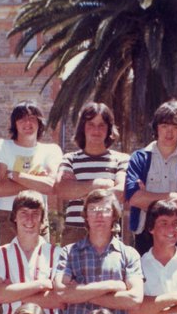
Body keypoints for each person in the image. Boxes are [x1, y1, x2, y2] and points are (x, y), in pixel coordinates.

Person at [56, 190, 143, 314]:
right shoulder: (70, 252)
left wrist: (80, 294)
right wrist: (111, 286)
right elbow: (61, 293)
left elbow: (134, 299)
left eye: (105, 209)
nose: (99, 215)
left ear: (114, 215)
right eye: (93, 209)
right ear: (86, 216)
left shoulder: (128, 254)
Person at [0, 191, 66, 314]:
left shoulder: (56, 253)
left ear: (42, 219)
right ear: (14, 217)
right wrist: (41, 285)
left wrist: (12, 294)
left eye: (35, 213)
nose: (29, 219)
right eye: (24, 213)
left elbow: (59, 300)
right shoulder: (2, 253)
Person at [124, 100, 177, 255]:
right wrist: (173, 196)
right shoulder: (139, 158)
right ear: (156, 127)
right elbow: (134, 198)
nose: (169, 133)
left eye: (176, 127)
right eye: (164, 126)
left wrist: (147, 200)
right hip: (145, 233)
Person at [55, 102, 129, 246]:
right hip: (75, 231)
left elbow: (121, 192)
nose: (96, 130)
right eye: (91, 124)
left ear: (109, 129)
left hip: (108, 229)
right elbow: (62, 189)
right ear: (83, 127)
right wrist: (100, 184)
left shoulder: (122, 159)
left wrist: (81, 192)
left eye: (101, 125)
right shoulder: (70, 159)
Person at [0, 101, 63, 244]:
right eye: (21, 119)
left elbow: (51, 186)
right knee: (6, 258)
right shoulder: (2, 147)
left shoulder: (51, 150)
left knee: (39, 258)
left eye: (32, 118)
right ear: (14, 123)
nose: (27, 123)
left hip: (37, 216)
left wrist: (16, 176)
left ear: (39, 122)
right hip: (6, 217)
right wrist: (35, 181)